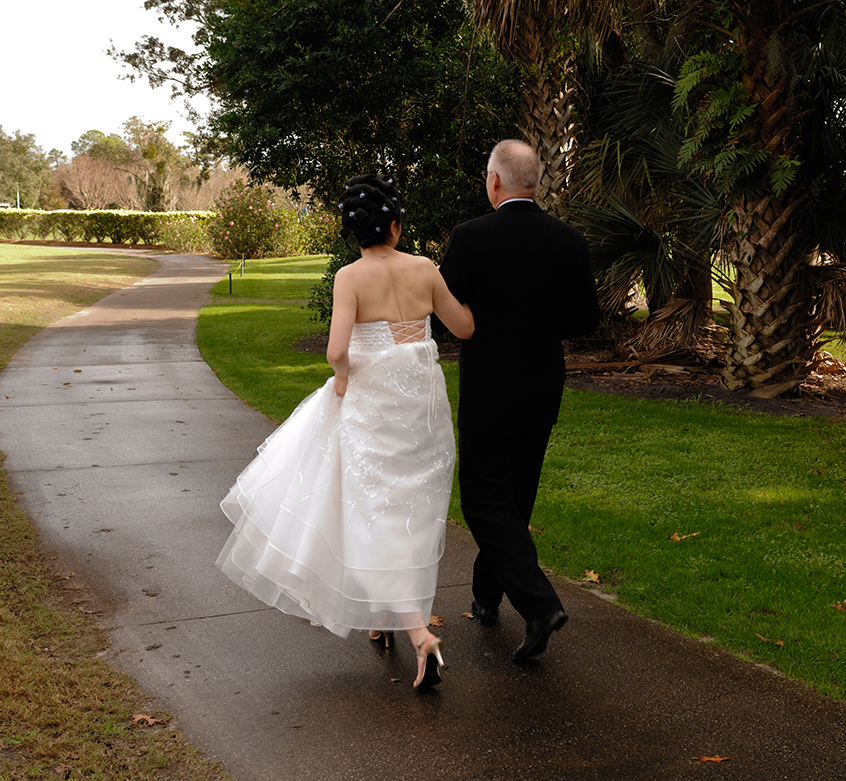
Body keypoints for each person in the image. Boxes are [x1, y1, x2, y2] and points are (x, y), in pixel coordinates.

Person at [217, 174, 474, 690]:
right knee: (410, 514)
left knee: (371, 513)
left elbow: (338, 351)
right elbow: (463, 327)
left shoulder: (350, 277)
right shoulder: (425, 269)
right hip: (421, 409)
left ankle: (420, 634)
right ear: (396, 226)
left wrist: (340, 377)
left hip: (374, 409)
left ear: (352, 233)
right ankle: (387, 618)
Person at [439, 140, 600, 662]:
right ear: (535, 182)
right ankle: (487, 598)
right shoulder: (569, 240)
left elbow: (443, 305)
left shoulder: (470, 237)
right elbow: (583, 322)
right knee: (515, 499)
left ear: (495, 182)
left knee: (484, 501)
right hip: (541, 386)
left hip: (489, 387)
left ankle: (539, 605)